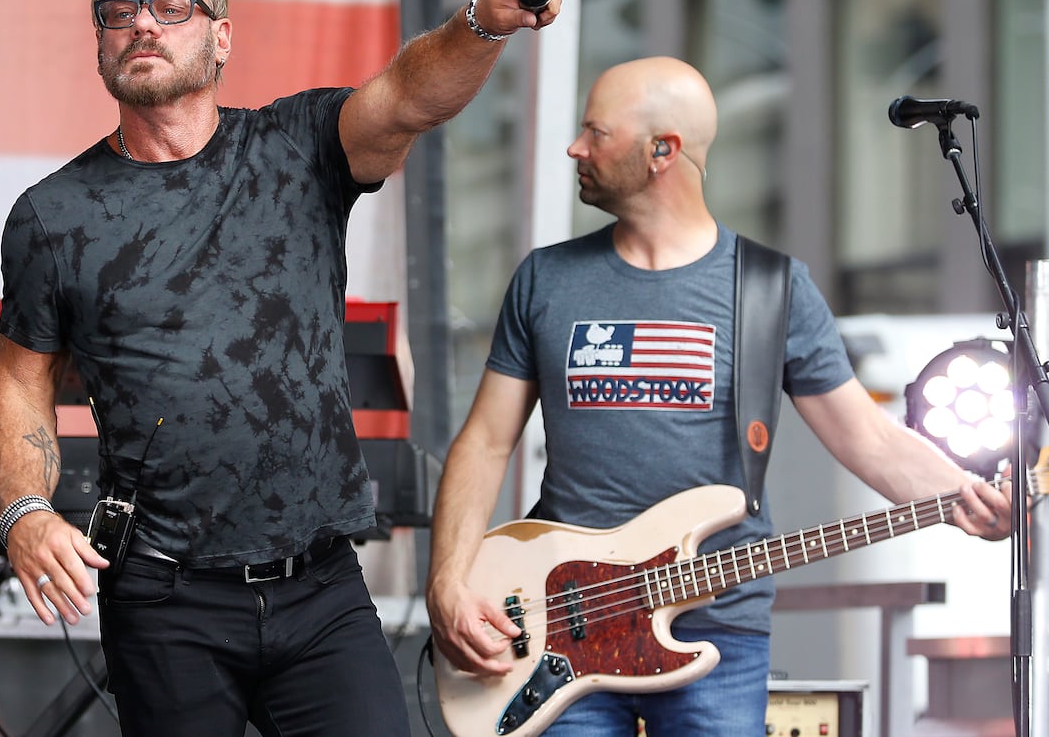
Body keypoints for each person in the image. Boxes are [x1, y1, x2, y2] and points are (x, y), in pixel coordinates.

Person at [0, 0, 559, 736]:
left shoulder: (296, 146)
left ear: (220, 38)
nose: (144, 24)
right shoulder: (52, 215)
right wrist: (24, 513)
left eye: (172, 6)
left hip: (319, 587)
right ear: (100, 45)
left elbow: (407, 97)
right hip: (164, 592)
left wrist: (483, 24)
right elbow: (19, 383)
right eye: (120, 12)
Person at [424, 55, 1012, 735]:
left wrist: (964, 495)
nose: (574, 148)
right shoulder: (546, 280)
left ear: (661, 152)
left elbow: (867, 436)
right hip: (560, 629)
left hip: (718, 634)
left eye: (596, 132)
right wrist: (448, 581)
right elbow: (486, 441)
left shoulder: (771, 288)